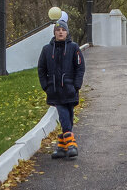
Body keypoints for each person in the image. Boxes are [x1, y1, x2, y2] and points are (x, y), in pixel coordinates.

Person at [37, 18, 85, 159]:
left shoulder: (73, 48)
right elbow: (41, 69)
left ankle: (62, 147)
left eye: (63, 30)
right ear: (54, 32)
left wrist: (76, 85)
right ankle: (71, 145)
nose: (60, 32)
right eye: (58, 30)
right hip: (55, 91)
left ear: (67, 32)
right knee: (63, 114)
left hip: (70, 89)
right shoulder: (46, 49)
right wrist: (46, 86)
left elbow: (80, 67)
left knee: (68, 116)